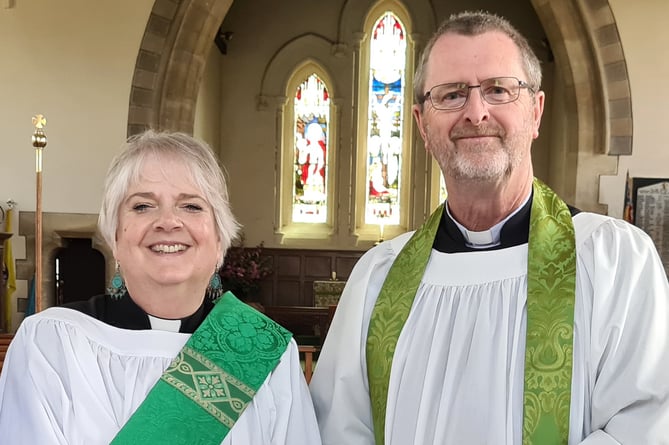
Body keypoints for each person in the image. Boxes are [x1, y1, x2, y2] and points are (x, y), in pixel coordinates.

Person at [310, 11, 669, 445]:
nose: (476, 113)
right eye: (452, 94)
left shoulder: (614, 261)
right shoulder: (378, 279)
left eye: (499, 89)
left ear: (535, 111)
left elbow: (645, 425)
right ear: (423, 124)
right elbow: (337, 432)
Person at [0, 130, 322, 445]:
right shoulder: (52, 345)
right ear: (115, 236)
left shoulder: (266, 356)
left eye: (192, 206)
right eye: (142, 206)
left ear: (220, 237)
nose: (168, 221)